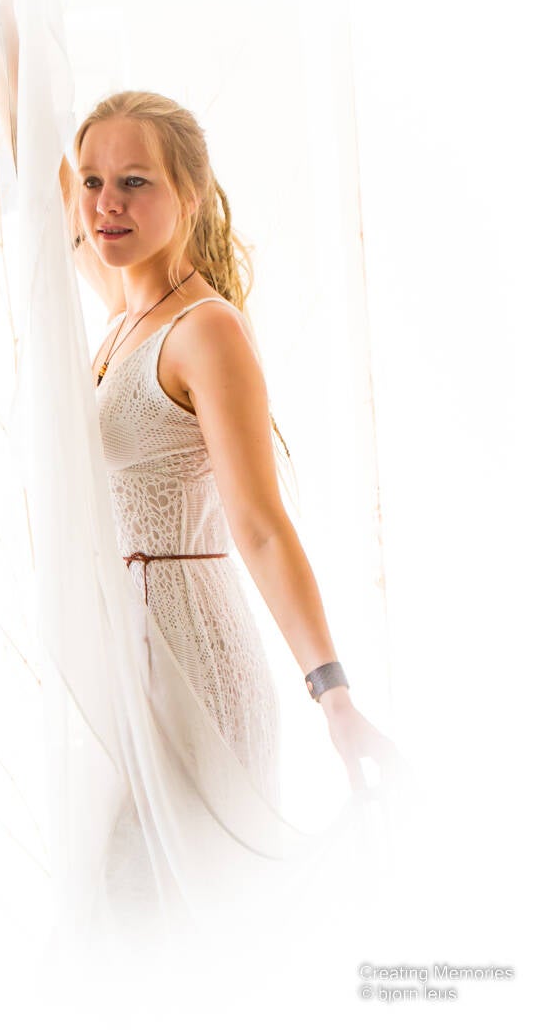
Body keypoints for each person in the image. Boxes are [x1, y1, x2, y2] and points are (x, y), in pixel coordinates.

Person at [59, 90, 397, 804]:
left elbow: (261, 527)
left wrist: (333, 694)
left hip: (194, 666)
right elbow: (41, 169)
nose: (106, 203)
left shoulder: (205, 331)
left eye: (134, 181)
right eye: (94, 181)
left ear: (191, 194)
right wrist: (8, 31)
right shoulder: (124, 313)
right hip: (125, 667)